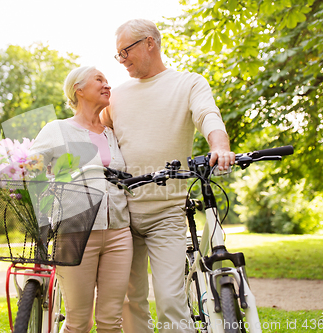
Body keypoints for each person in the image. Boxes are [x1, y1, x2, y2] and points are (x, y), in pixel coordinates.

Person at [100, 19, 236, 333]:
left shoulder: (188, 83)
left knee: (171, 300)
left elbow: (207, 115)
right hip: (122, 212)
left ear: (150, 42)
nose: (121, 60)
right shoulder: (117, 96)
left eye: (125, 51)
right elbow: (90, 130)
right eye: (117, 55)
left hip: (168, 211)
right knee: (129, 299)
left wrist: (220, 145)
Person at [29, 66, 133, 333]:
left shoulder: (111, 133)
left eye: (107, 80)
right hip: (75, 233)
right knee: (78, 322)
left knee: (112, 321)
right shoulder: (57, 130)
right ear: (79, 89)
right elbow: (28, 166)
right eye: (99, 79)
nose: (107, 84)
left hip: (119, 233)